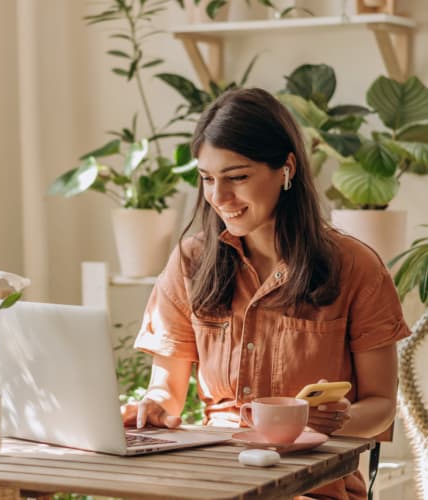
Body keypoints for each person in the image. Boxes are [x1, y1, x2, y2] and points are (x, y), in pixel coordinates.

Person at [121, 87, 410, 499]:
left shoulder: (355, 266)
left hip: (313, 486)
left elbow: (382, 403)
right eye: (207, 179)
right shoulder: (192, 261)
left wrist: (337, 420)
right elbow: (165, 391)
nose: (219, 198)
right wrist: (151, 408)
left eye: (237, 177)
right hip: (211, 479)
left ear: (286, 169)